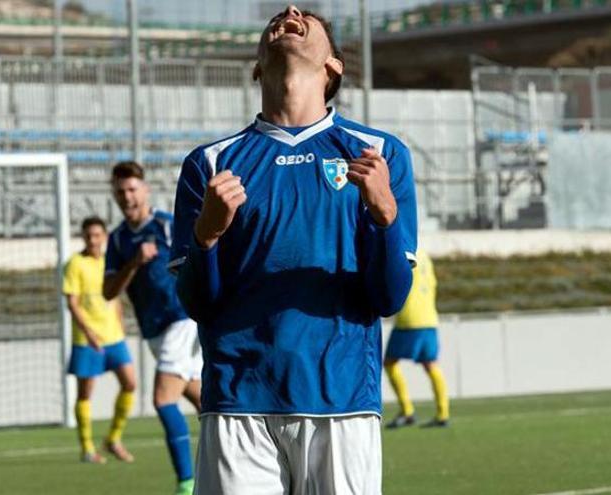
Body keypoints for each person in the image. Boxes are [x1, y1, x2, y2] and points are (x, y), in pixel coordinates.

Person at [170, 5, 417, 494]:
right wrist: (207, 236)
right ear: (258, 67)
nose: (289, 10)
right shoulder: (210, 165)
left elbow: (390, 298)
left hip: (342, 399)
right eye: (276, 20)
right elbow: (196, 303)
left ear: (334, 66)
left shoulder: (378, 155)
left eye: (309, 16)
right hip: (239, 401)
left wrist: (385, 215)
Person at [103, 161, 202, 495]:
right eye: (120, 191)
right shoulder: (117, 241)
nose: (127, 197)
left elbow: (196, 263)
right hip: (154, 330)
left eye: (132, 189)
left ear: (144, 190)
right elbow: (108, 292)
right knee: (210, 402)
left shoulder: (167, 225)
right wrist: (134, 262)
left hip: (182, 321)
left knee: (162, 400)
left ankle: (187, 484)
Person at [65, 216, 137, 464]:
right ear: (83, 237)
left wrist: (121, 322)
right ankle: (86, 447)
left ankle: (113, 439)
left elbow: (114, 294)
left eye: (97, 235)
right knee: (86, 394)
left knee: (130, 384)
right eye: (88, 235)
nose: (93, 240)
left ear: (104, 237)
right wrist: (88, 333)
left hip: (114, 336)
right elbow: (72, 303)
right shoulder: (75, 263)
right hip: (88, 340)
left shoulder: (110, 260)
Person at [384, 250, 450, 429]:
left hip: (410, 318)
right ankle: (443, 413)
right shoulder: (426, 256)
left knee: (389, 363)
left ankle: (407, 411)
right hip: (429, 317)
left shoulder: (405, 252)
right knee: (431, 364)